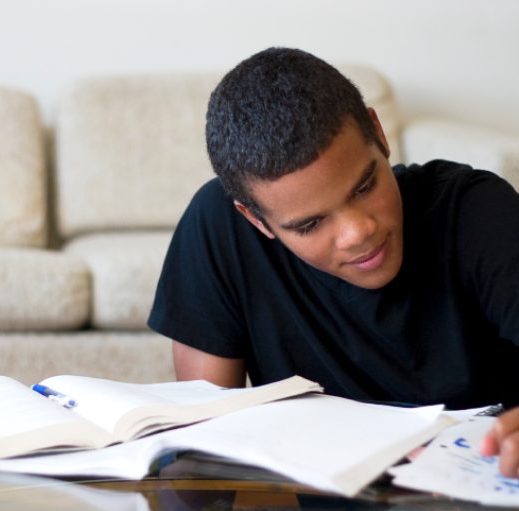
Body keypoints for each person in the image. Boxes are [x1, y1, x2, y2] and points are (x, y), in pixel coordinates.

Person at [147, 47, 519, 475]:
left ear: (378, 133)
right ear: (256, 219)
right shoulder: (218, 228)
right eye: (310, 225)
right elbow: (202, 444)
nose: (357, 232)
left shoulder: (476, 211)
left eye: (364, 186)